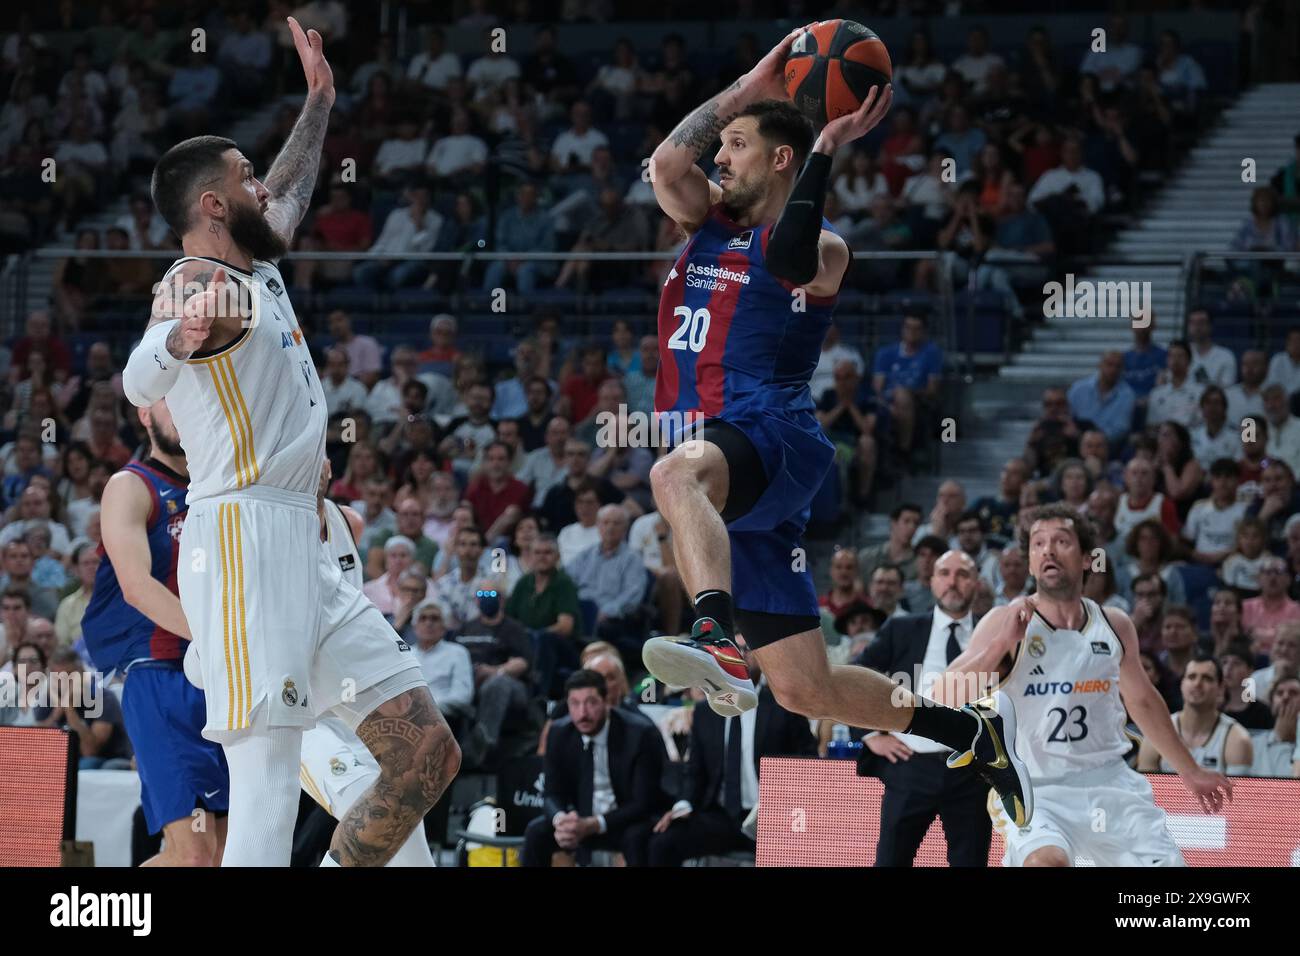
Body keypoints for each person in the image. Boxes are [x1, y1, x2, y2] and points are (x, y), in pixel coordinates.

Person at [639, 31, 1029, 826]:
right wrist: (750, 84)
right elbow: (664, 164)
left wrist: (824, 146)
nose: (721, 156)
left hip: (768, 434)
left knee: (673, 476)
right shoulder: (700, 222)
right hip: (726, 469)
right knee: (803, 687)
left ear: (782, 162)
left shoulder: (824, 249)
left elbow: (786, 257)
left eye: (739, 145)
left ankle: (712, 631)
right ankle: (964, 727)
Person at [120, 19, 458, 866]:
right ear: (212, 205)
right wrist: (173, 339)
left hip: (301, 543)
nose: (262, 190)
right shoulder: (199, 283)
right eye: (244, 179)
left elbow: (293, 189)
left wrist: (319, 102)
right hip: (238, 539)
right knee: (267, 780)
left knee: (425, 756)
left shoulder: (258, 268)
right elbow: (137, 381)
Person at [936, 503, 1231, 866]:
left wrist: (1191, 770)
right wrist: (1000, 645)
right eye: (1038, 544)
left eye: (1061, 541)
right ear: (1030, 563)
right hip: (1036, 787)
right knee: (1047, 863)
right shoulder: (1007, 620)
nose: (1048, 550)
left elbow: (1143, 701)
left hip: (1111, 782)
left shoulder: (1115, 624)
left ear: (1089, 559)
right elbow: (942, 696)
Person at [81, 397, 229, 864]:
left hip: (220, 680)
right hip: (158, 674)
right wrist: (216, 641)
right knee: (195, 856)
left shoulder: (220, 489)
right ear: (145, 415)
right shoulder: (131, 485)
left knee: (224, 853)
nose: (183, 411)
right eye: (169, 403)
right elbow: (136, 586)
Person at [855, 551, 992, 867]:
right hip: (911, 765)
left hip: (974, 771)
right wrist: (869, 733)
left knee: (971, 862)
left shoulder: (993, 634)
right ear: (931, 582)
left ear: (976, 582)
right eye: (944, 573)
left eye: (962, 574)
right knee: (890, 861)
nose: (953, 582)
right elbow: (857, 676)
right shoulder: (902, 629)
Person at [648, 641, 815, 866]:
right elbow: (695, 772)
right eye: (731, 649)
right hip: (721, 815)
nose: (739, 655)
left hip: (774, 818)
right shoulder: (705, 711)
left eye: (746, 648)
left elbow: (809, 763)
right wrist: (684, 804)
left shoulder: (784, 705)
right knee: (662, 843)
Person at [523, 669, 665, 867]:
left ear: (606, 701)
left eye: (591, 702)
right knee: (535, 832)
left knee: (637, 837)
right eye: (575, 703)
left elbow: (643, 803)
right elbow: (551, 794)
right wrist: (561, 821)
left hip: (625, 820)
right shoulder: (559, 733)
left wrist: (594, 824)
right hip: (580, 820)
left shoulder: (640, 734)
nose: (582, 713)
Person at [1139, 656, 1254, 775]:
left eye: (1207, 678)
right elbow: (1146, 789)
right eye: (1191, 677)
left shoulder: (1238, 739)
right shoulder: (1157, 732)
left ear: (1221, 688)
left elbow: (1237, 792)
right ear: (1182, 684)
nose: (1197, 683)